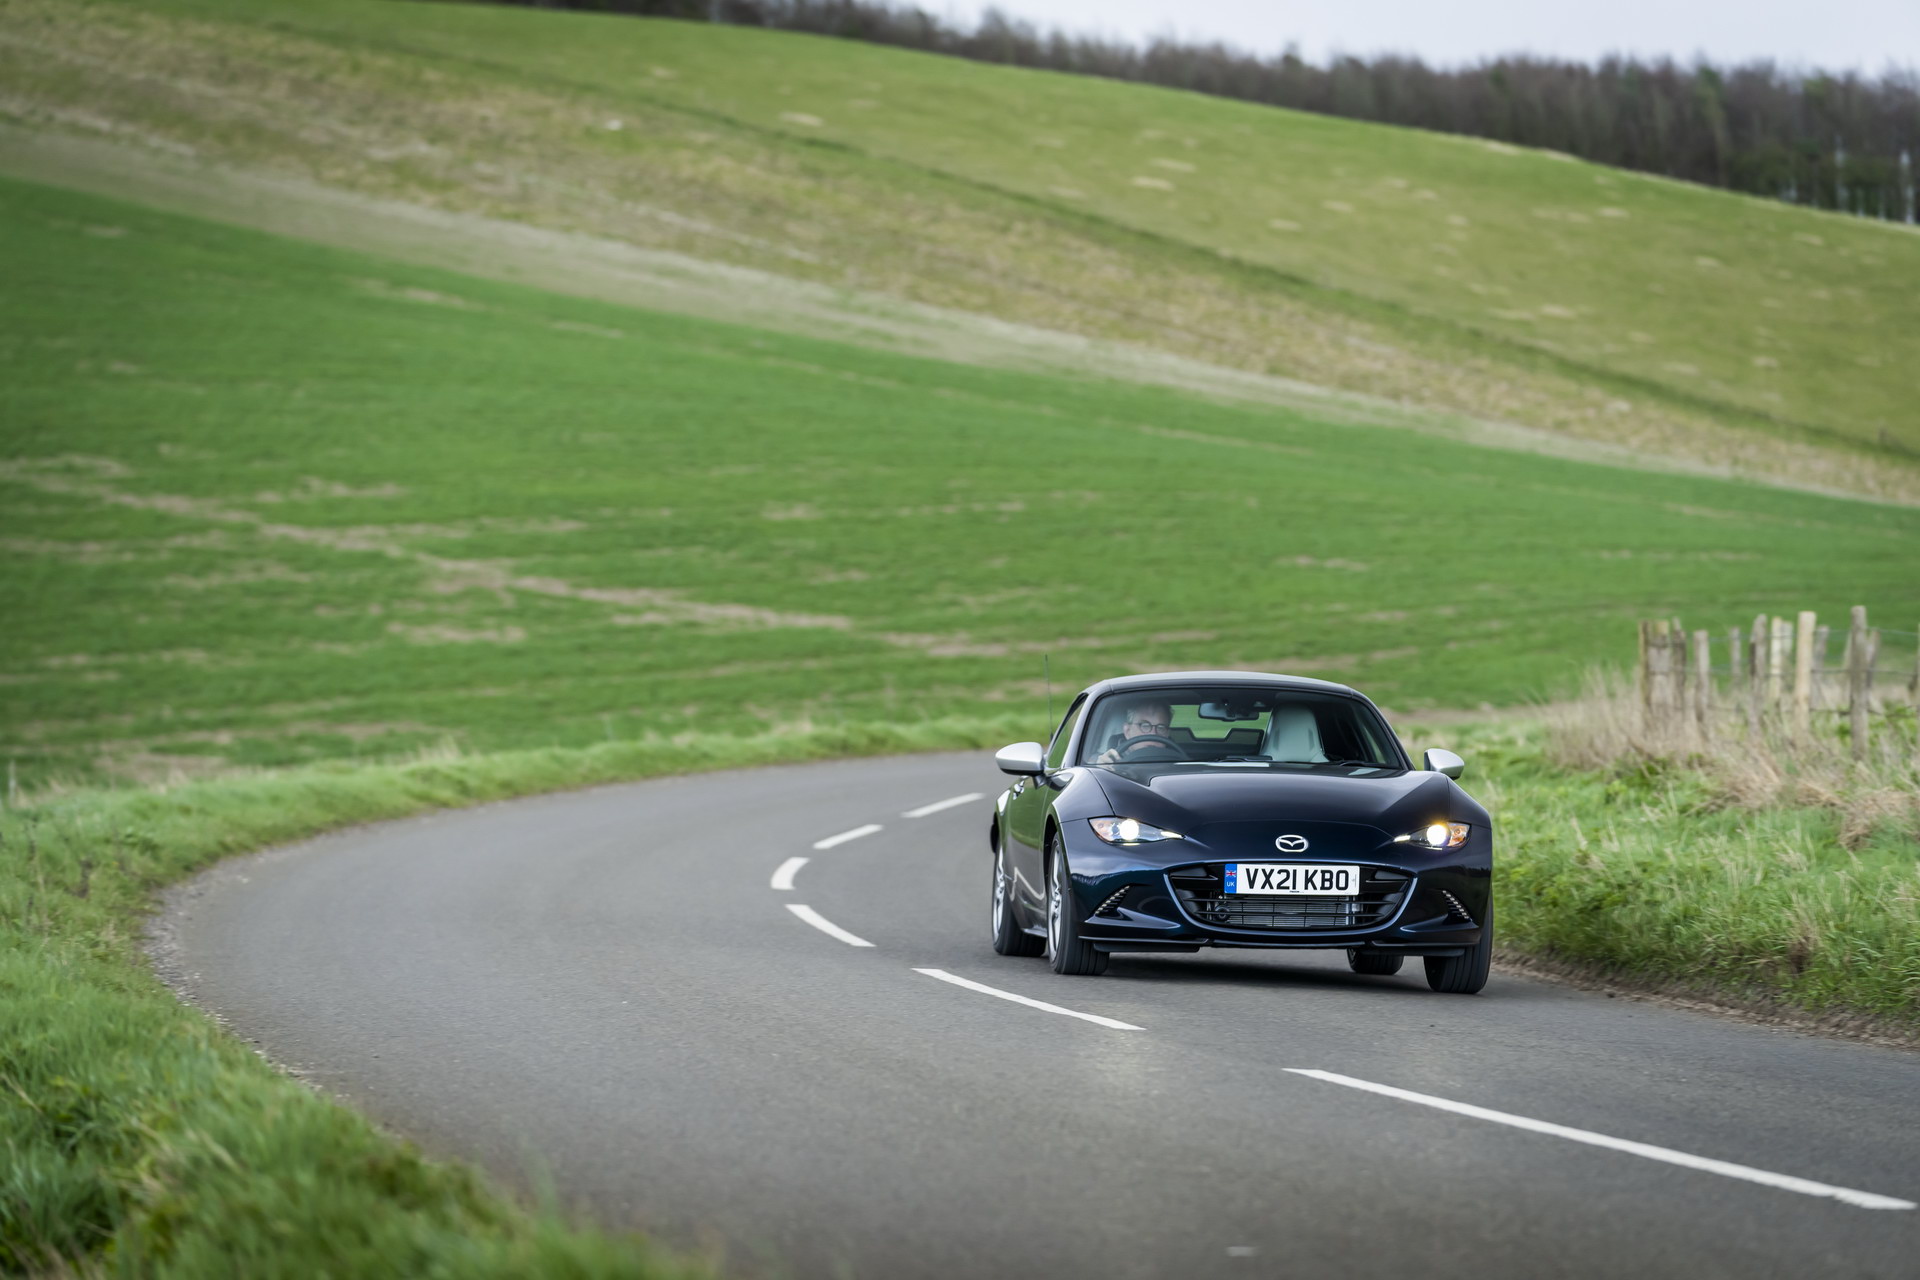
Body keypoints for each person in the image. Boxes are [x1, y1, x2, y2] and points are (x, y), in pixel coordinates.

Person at [1095, 699, 1175, 763]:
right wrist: (1102, 769)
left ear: (1167, 734)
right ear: (1127, 731)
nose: (1153, 734)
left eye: (1161, 728)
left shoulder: (1177, 763)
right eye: (1145, 725)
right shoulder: (1113, 762)